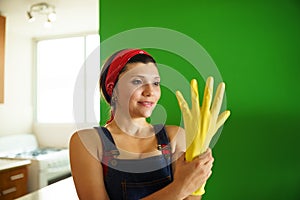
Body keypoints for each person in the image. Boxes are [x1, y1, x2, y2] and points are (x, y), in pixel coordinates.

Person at [69, 48, 214, 200]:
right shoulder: (88, 142)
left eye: (156, 83)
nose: (150, 91)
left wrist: (195, 185)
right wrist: (180, 188)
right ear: (113, 89)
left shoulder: (175, 136)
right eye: (137, 81)